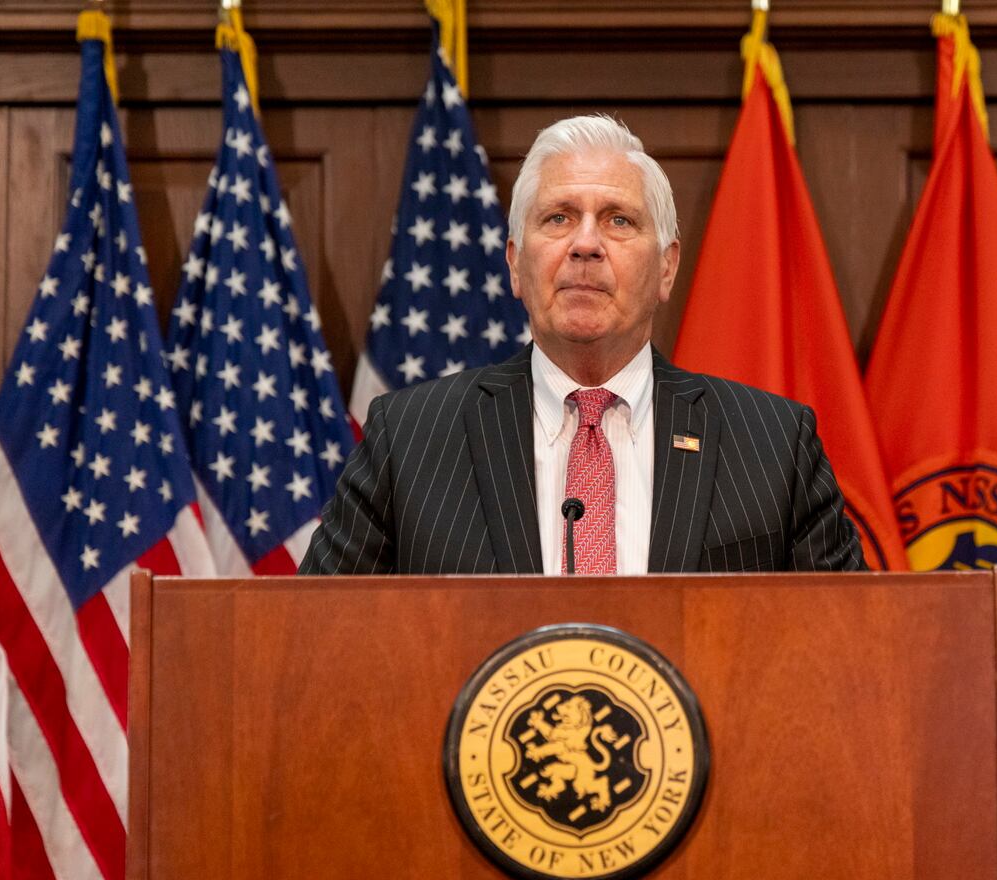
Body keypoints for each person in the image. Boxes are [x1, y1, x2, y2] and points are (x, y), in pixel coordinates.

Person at [299, 115, 862, 575]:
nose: (586, 244)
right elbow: (316, 638)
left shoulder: (773, 446)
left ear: (667, 268)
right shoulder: (410, 440)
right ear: (516, 266)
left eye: (618, 220)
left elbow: (851, 642)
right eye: (559, 218)